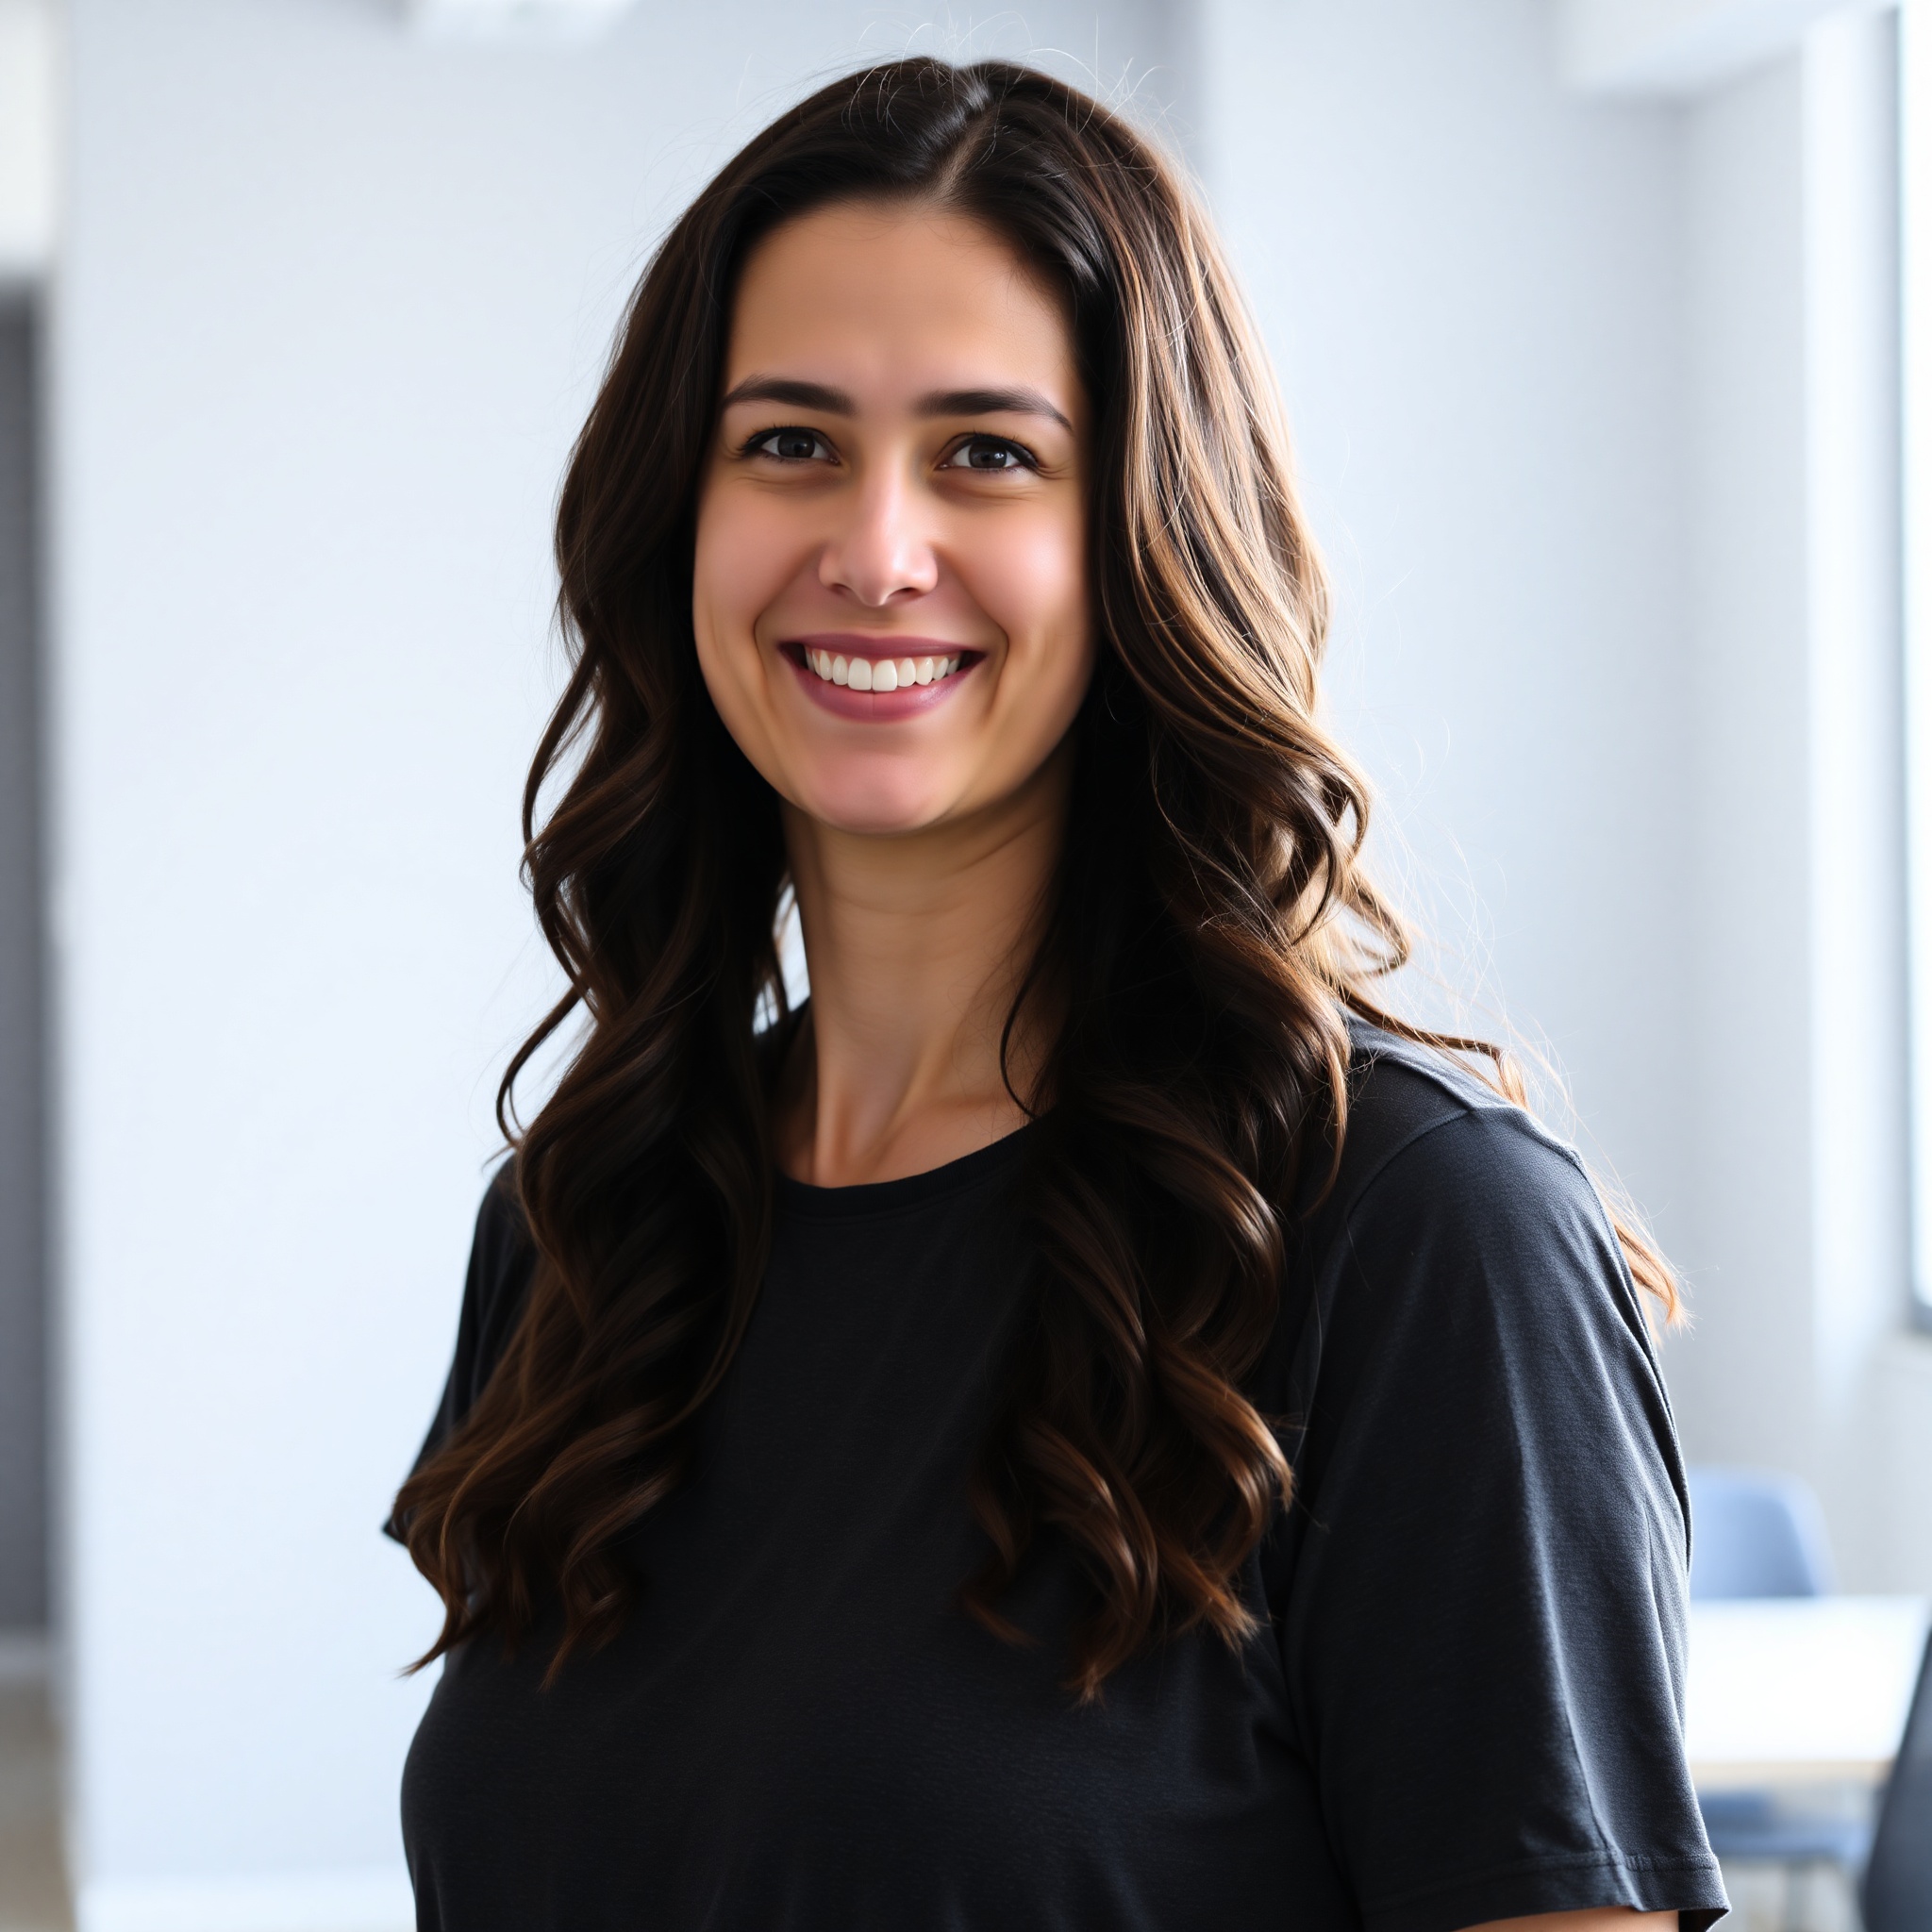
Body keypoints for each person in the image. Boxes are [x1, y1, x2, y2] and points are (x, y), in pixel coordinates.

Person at [389, 57, 1727, 1932]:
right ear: (671, 521)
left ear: (1145, 539)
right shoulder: (582, 1233)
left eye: (987, 453)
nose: (872, 547)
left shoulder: (1415, 1241)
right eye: (787, 442)